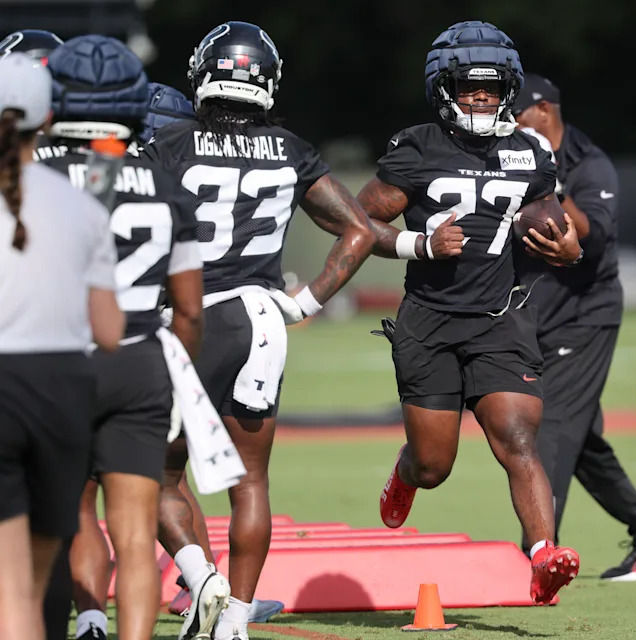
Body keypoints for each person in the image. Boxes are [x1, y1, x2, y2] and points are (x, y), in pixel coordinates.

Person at [142, 21, 375, 640]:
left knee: (152, 471)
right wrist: (305, 302)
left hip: (188, 318)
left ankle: (204, 582)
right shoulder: (291, 149)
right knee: (252, 482)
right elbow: (360, 231)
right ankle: (235, 621)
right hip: (264, 321)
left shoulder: (170, 146)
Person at [358, 20, 583, 605]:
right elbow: (358, 223)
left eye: (491, 87)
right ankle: (404, 475)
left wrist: (569, 247)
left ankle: (542, 555)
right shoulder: (417, 147)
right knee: (434, 464)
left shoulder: (530, 150)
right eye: (468, 86)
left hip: (498, 318)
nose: (481, 97)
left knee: (517, 438)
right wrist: (418, 243)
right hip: (429, 320)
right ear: (444, 87)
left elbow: (550, 217)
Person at [42, 35, 206, 640]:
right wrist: (171, 383)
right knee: (136, 533)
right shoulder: (166, 183)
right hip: (140, 363)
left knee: (54, 520)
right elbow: (188, 311)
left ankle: (82, 623)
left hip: (57, 363)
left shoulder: (31, 177)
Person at [512, 74, 636, 581]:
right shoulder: (514, 153)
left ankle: (538, 556)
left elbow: (594, 232)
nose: (510, 123)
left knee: (548, 430)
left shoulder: (589, 162)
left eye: (517, 113)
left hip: (586, 314)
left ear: (544, 110)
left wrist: (547, 185)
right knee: (581, 438)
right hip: (541, 313)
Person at [0, 52, 124, 640]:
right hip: (64, 394)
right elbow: (108, 332)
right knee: (37, 583)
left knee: (9, 587)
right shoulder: (84, 204)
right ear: (47, 116)